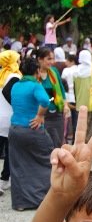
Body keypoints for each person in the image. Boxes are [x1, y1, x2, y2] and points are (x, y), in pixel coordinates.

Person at [8, 57, 53, 210]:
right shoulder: (35, 85)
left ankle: (20, 203)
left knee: (18, 165)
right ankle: (42, 200)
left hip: (15, 129)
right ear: (37, 71)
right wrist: (40, 116)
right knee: (46, 160)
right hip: (31, 129)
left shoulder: (15, 86)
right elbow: (45, 101)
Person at [35, 47, 68, 148]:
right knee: (43, 144)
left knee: (57, 142)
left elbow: (61, 90)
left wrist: (65, 105)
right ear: (40, 59)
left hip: (57, 113)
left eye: (53, 59)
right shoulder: (34, 74)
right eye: (48, 59)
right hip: (40, 114)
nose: (52, 62)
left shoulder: (54, 72)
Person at [0, 51, 22, 196]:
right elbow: (8, 93)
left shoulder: (2, 75)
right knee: (10, 151)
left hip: (0, 117)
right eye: (18, 59)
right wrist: (17, 105)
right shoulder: (15, 76)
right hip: (9, 118)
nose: (20, 61)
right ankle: (4, 179)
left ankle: (4, 179)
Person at [61, 54, 78, 143]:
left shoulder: (66, 70)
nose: (65, 62)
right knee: (76, 121)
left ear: (71, 61)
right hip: (77, 98)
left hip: (67, 97)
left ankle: (65, 139)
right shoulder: (79, 70)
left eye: (67, 60)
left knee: (66, 120)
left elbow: (62, 83)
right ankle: (75, 139)